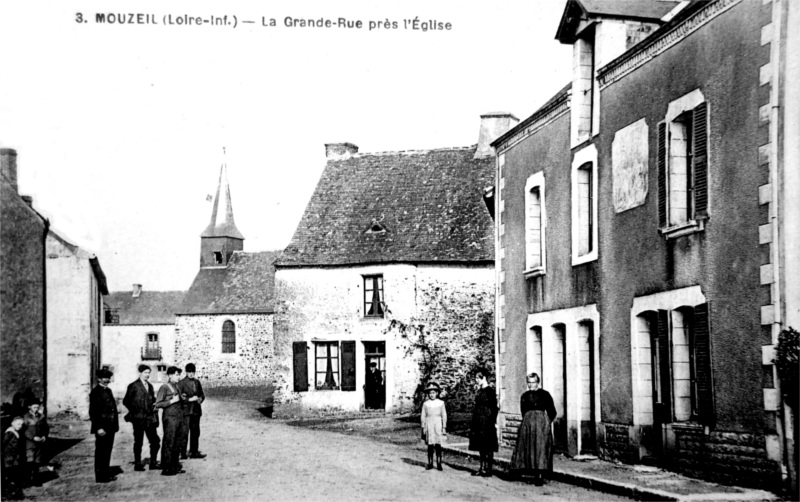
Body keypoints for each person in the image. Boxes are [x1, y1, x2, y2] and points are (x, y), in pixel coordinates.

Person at [511, 372, 557, 486]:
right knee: (528, 448)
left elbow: (552, 412)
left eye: (533, 382)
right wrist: (528, 421)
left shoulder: (545, 394)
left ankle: (540, 475)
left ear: (538, 382)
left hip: (541, 426)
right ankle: (529, 472)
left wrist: (545, 422)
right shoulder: (524, 396)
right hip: (528, 425)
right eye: (529, 383)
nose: (531, 385)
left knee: (540, 449)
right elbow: (523, 412)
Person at [122, 364, 161, 471]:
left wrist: (154, 404)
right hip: (138, 419)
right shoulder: (133, 386)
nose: (147, 375)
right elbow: (126, 401)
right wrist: (136, 411)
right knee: (138, 442)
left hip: (149, 419)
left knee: (155, 441)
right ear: (140, 373)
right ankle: (137, 464)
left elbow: (152, 400)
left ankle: (153, 463)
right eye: (145, 372)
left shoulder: (150, 386)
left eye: (149, 373)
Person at [89, 368, 119, 483]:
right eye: (104, 378)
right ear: (99, 379)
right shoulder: (96, 392)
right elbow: (93, 412)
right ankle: (100, 476)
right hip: (102, 427)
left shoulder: (108, 390)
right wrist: (98, 428)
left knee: (107, 451)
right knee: (101, 451)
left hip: (110, 427)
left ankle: (105, 473)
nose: (107, 380)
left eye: (108, 377)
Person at [468, 369, 499, 477]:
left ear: (484, 378)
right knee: (481, 445)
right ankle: (482, 468)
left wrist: (494, 421)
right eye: (476, 378)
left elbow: (494, 408)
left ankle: (488, 469)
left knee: (488, 445)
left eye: (478, 378)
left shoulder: (490, 391)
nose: (476, 380)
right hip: (478, 421)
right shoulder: (479, 391)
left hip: (487, 421)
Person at [155, 366, 185, 476]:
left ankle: (174, 465)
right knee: (169, 442)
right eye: (177, 375)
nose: (179, 377)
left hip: (178, 418)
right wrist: (171, 401)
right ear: (170, 375)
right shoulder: (164, 387)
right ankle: (166, 468)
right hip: (170, 418)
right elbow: (158, 404)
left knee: (177, 443)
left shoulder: (176, 386)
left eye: (179, 375)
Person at [177, 362, 206, 459]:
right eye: (189, 371)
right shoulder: (181, 383)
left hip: (196, 411)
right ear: (186, 372)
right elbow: (179, 398)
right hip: (186, 412)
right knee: (184, 432)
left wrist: (200, 399)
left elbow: (202, 394)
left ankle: (194, 452)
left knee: (195, 432)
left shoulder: (197, 382)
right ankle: (183, 453)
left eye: (193, 371)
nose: (191, 373)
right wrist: (189, 400)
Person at [22, 397, 49, 487]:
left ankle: (36, 479)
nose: (36, 409)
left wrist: (45, 435)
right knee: (30, 460)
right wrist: (33, 437)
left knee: (38, 461)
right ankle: (28, 480)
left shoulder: (41, 416)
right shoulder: (25, 417)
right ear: (29, 407)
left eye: (38, 407)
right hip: (29, 443)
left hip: (40, 442)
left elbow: (46, 428)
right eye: (34, 407)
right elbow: (24, 430)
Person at [420, 382, 447, 471]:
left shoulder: (441, 403)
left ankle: (439, 463)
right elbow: (423, 416)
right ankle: (430, 463)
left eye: (434, 393)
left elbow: (444, 415)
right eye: (430, 393)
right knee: (430, 445)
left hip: (438, 424)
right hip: (429, 425)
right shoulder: (426, 404)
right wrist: (423, 427)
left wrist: (444, 427)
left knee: (438, 444)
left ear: (437, 393)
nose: (432, 395)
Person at [3, 417, 26, 499]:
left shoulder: (16, 432)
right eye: (18, 424)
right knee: (9, 472)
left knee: (13, 471)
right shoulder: (9, 432)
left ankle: (13, 488)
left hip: (14, 456)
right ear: (12, 423)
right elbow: (3, 443)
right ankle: (9, 490)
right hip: (8, 456)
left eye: (21, 424)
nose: (20, 426)